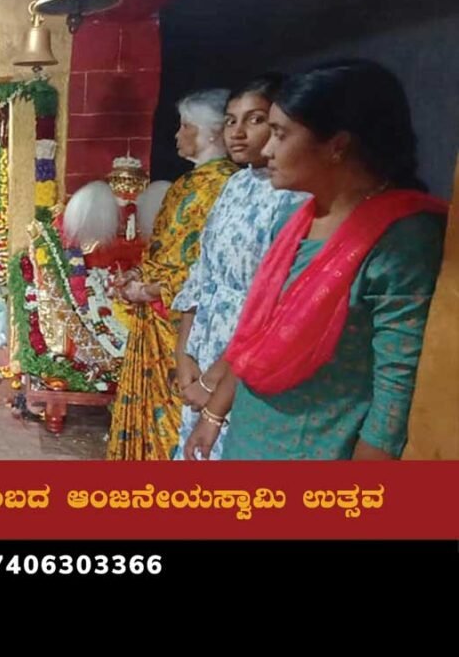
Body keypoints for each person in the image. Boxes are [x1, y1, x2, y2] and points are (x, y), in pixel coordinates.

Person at [186, 60, 447, 460]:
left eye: (279, 133)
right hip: (249, 438)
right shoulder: (295, 220)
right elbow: (258, 331)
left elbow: (397, 384)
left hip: (312, 451)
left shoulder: (403, 238)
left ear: (337, 146)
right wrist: (215, 414)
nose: (267, 148)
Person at [171, 74, 306, 459]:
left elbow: (274, 304)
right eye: (231, 121)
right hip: (203, 347)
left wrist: (215, 380)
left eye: (255, 120)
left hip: (242, 363)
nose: (239, 133)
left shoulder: (295, 198)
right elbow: (202, 274)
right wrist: (185, 358)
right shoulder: (235, 185)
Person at [106, 88, 238, 460]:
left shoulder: (225, 187)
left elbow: (210, 269)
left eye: (185, 127)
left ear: (212, 133)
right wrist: (136, 278)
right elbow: (166, 253)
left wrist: (149, 290)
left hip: (185, 326)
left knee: (177, 414)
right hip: (158, 315)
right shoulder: (187, 184)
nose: (177, 136)